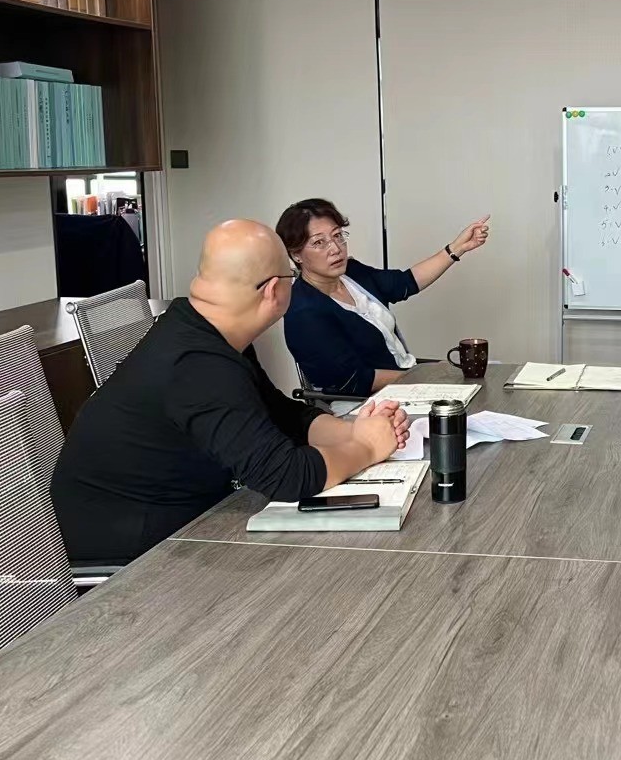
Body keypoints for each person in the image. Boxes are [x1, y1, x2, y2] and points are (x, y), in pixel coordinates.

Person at [51, 219, 411, 564]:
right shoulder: (198, 364)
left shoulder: (205, 327)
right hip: (140, 551)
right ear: (273, 290)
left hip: (194, 513)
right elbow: (286, 476)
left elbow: (279, 413)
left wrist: (354, 430)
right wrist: (366, 448)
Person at [277, 198, 490, 396]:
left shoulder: (352, 273)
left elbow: (405, 283)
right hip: (363, 405)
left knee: (484, 388)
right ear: (296, 254)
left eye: (337, 235)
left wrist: (457, 248)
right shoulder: (303, 311)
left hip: (406, 386)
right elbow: (353, 380)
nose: (335, 248)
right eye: (319, 242)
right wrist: (423, 377)